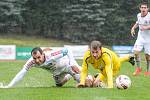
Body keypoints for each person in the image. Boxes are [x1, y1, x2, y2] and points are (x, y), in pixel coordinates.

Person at [0, 47, 82, 88]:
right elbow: (21, 74)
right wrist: (9, 86)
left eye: (39, 57)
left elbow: (67, 50)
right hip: (57, 73)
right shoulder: (31, 62)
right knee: (59, 85)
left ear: (43, 54)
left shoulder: (51, 55)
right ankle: (69, 76)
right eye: (34, 58)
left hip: (68, 66)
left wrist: (72, 64)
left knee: (84, 82)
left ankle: (77, 73)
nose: (37, 60)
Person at [131, 2, 150, 76]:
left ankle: (148, 71)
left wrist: (146, 27)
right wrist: (133, 28)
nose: (143, 9)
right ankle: (138, 69)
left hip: (148, 39)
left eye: (145, 8)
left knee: (147, 56)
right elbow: (137, 23)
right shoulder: (138, 15)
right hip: (140, 38)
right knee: (135, 53)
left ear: (147, 9)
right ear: (140, 8)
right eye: (142, 7)